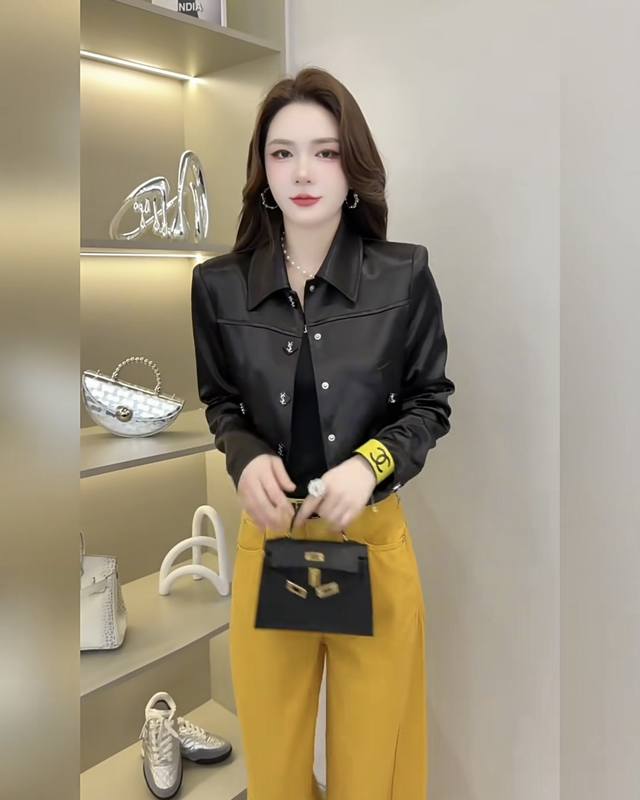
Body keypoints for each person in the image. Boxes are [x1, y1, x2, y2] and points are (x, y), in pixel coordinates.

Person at [191, 66, 455, 800]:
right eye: (283, 153)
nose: (303, 172)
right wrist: (245, 459)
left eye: (325, 151)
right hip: (269, 542)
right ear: (263, 170)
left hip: (373, 543)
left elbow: (430, 403)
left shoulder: (405, 276)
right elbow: (220, 402)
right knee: (274, 770)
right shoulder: (217, 285)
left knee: (374, 770)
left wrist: (369, 465)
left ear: (352, 167)